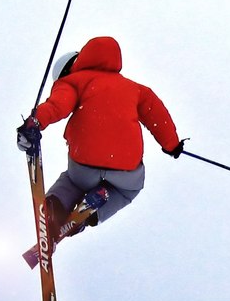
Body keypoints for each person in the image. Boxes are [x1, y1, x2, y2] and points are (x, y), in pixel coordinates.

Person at [17, 35, 184, 239]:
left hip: (85, 161)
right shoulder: (137, 89)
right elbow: (158, 116)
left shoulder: (72, 82)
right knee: (127, 191)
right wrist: (172, 145)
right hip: (126, 168)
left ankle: (56, 207)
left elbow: (56, 106)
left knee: (72, 181)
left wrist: (35, 123)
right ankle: (87, 215)